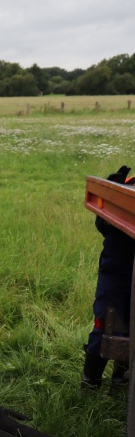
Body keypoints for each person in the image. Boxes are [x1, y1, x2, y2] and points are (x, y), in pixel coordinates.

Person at [81, 165, 135, 392]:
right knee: (107, 325)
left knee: (131, 329)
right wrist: (112, 198)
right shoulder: (128, 185)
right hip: (117, 271)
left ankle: (121, 383)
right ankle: (90, 383)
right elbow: (103, 226)